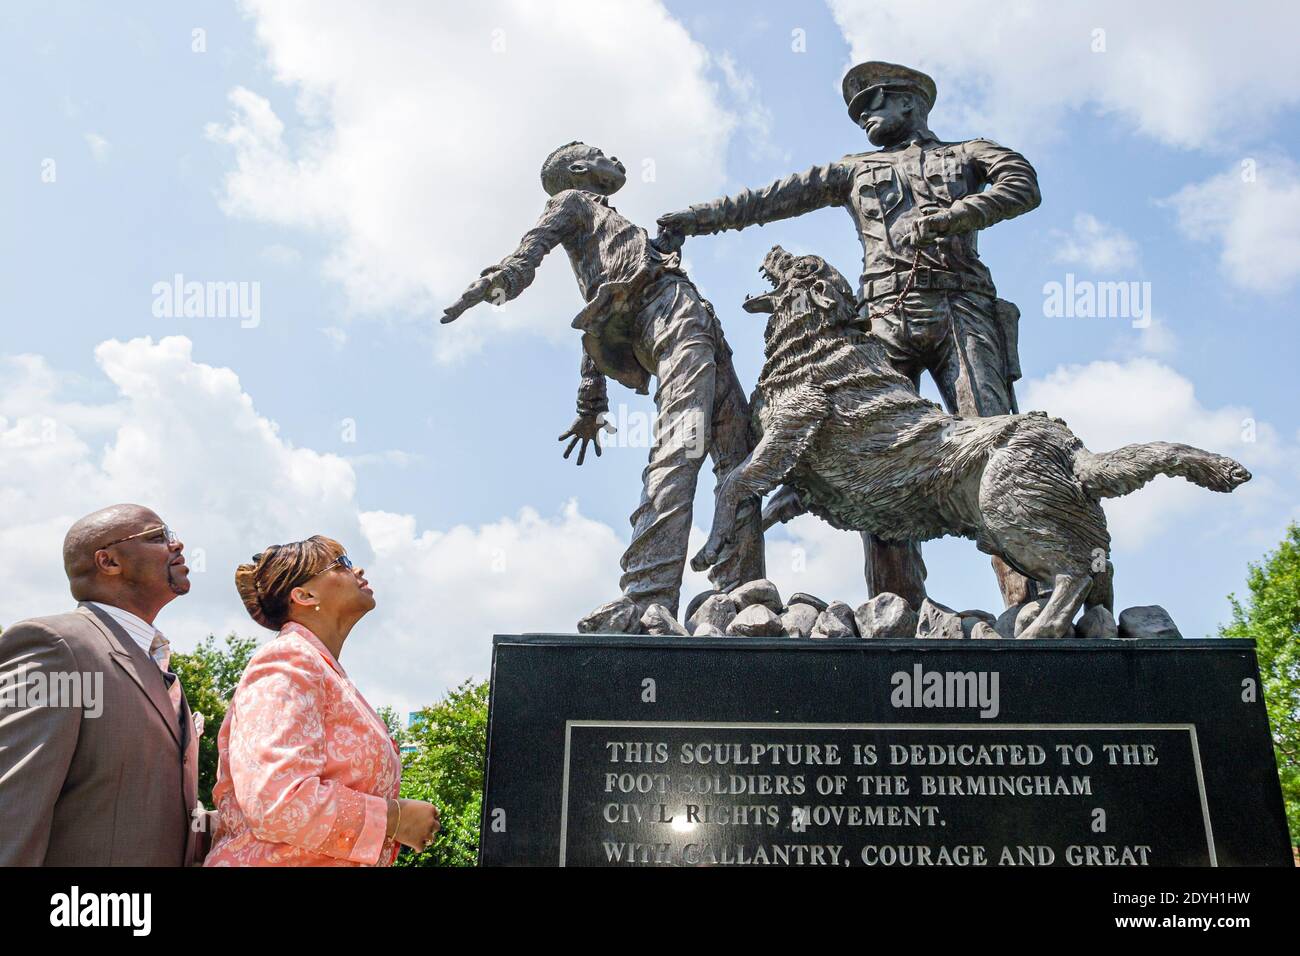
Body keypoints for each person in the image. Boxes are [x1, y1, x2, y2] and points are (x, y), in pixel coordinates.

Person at [657, 61, 1042, 610]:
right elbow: (770, 199)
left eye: (875, 102)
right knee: (881, 452)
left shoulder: (968, 153)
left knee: (992, 441)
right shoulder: (853, 169)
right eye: (859, 109)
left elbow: (1023, 186)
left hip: (962, 309)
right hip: (881, 319)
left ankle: (1029, 600)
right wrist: (695, 219)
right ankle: (896, 607)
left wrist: (953, 217)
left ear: (911, 102)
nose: (864, 115)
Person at [442, 142, 764, 625]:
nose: (611, 155)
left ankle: (742, 592)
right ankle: (647, 594)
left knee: (741, 454)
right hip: (668, 315)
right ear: (577, 169)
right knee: (684, 439)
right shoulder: (571, 202)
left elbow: (599, 311)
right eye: (597, 153)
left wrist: (591, 403)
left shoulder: (612, 228)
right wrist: (499, 283)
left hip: (695, 319)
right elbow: (533, 251)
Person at [204, 535, 438, 866]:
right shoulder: (287, 660)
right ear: (304, 595)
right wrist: (392, 819)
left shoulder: (321, 670)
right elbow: (276, 801)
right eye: (340, 563)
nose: (356, 568)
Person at [0, 503, 210, 865]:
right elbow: (12, 811)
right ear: (109, 562)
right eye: (159, 537)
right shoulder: (57, 647)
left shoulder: (152, 660)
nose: (177, 546)